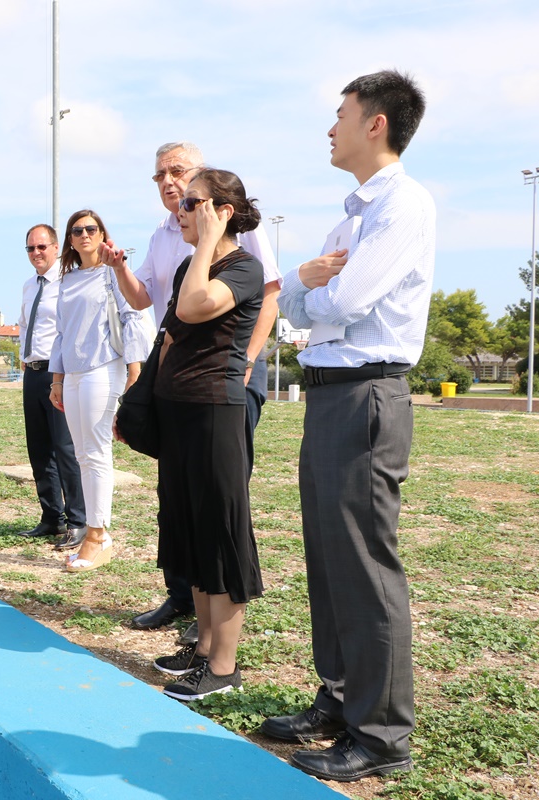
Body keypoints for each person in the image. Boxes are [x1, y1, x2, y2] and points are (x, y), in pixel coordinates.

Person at [260, 69, 433, 783]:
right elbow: (299, 308)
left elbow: (352, 297)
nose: (330, 128)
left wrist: (314, 285)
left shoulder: (404, 206)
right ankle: (338, 699)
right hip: (330, 392)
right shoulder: (349, 216)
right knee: (330, 558)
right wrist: (308, 280)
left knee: (364, 563)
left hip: (367, 393)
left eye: (341, 114)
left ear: (376, 124)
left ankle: (383, 735)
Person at [111, 141, 282, 643]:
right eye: (163, 178)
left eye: (188, 193)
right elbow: (160, 320)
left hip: (219, 397)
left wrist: (246, 360)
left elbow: (214, 304)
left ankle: (221, 653)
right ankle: (196, 626)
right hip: (180, 401)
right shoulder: (177, 252)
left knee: (220, 520)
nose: (174, 194)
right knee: (185, 517)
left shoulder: (239, 256)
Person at [49, 210, 153, 573]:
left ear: (102, 233)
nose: (84, 235)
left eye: (91, 229)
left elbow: (133, 318)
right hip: (73, 373)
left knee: (96, 453)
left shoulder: (113, 274)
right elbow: (60, 333)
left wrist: (134, 369)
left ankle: (98, 535)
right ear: (70, 239)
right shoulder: (66, 280)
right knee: (82, 454)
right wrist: (57, 379)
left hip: (103, 367)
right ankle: (97, 533)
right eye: (76, 231)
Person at [15, 223, 87, 552]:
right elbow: (25, 324)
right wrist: (23, 358)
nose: (36, 253)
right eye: (30, 249)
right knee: (39, 448)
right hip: (33, 372)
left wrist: (60, 374)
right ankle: (51, 516)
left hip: (58, 372)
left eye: (42, 247)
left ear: (56, 247)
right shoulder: (30, 285)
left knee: (65, 447)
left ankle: (78, 521)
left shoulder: (68, 280)